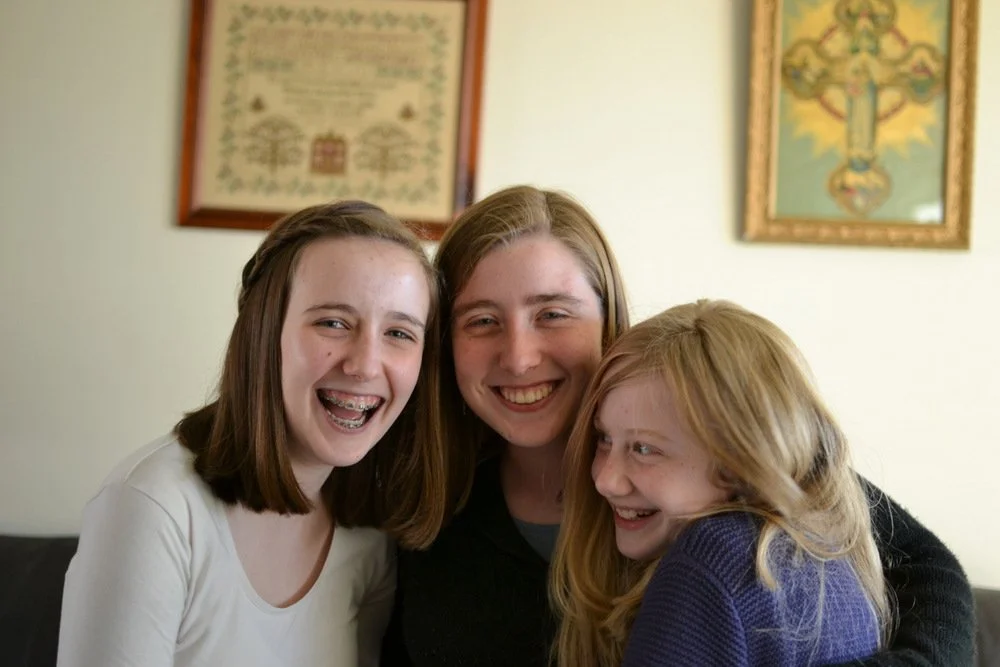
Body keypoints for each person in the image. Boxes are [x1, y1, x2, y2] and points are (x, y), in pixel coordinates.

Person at [382, 184, 975, 667]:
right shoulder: (421, 495)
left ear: (609, 319)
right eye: (481, 321)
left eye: (553, 314)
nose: (518, 357)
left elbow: (931, 573)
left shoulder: (719, 459)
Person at [56, 201, 446, 667]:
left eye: (399, 333)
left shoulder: (371, 532)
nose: (365, 365)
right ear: (262, 332)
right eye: (332, 323)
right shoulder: (153, 507)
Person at [552, 299, 891, 666]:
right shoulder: (829, 548)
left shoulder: (710, 564)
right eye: (604, 439)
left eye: (645, 449)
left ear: (741, 461)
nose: (605, 480)